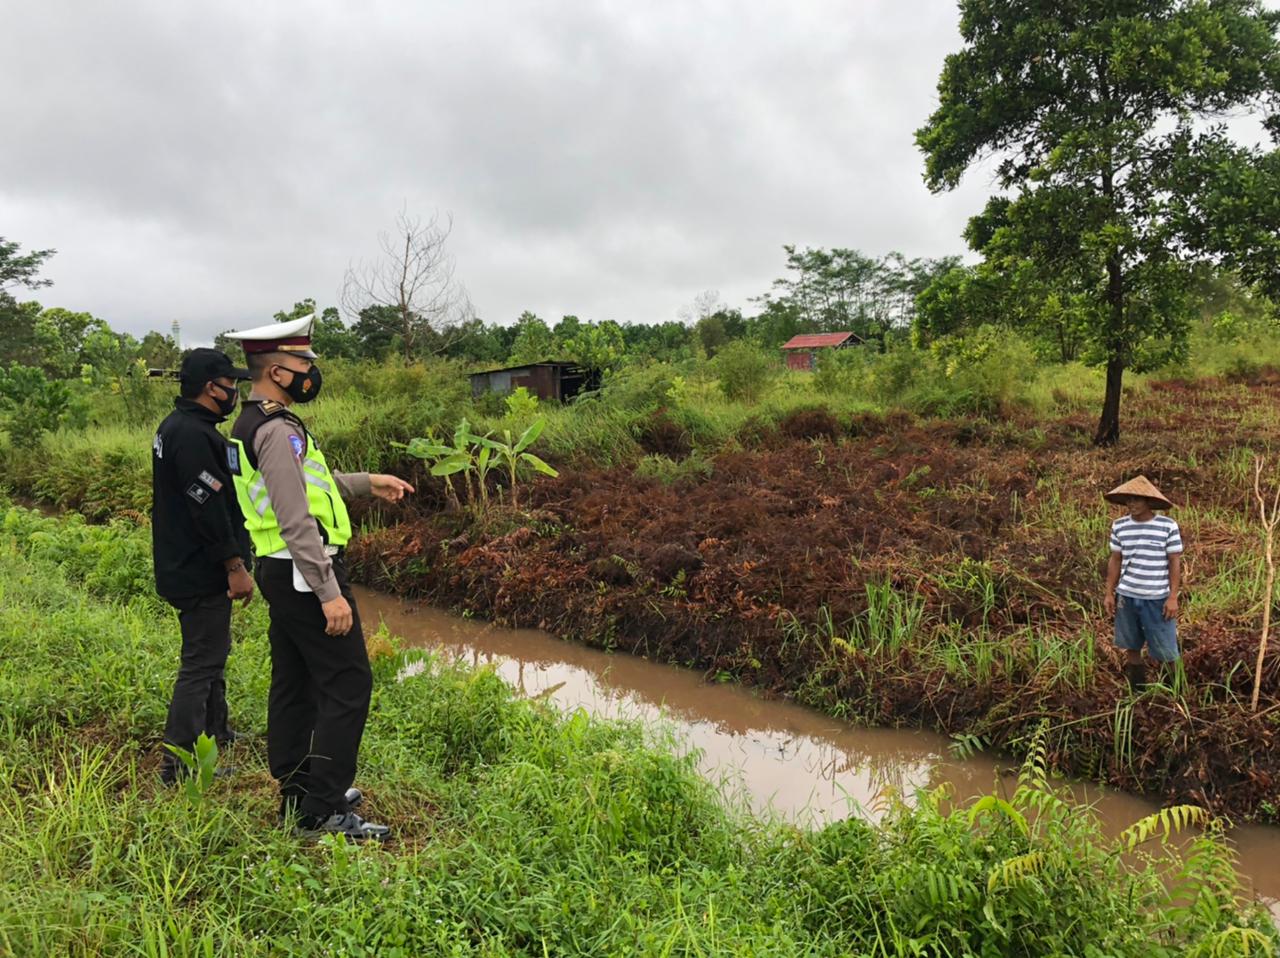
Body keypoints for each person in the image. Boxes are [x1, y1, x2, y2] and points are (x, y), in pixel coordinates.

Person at [224, 315, 413, 841]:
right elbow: (295, 517)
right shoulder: (277, 429)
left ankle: (299, 787)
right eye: (305, 363)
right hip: (305, 569)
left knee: (295, 680)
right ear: (280, 371)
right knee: (349, 683)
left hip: (280, 570)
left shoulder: (253, 423)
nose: (312, 372)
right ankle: (320, 809)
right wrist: (330, 592)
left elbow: (305, 487)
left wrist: (366, 482)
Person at [151, 348, 255, 784]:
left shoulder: (181, 426)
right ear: (211, 387)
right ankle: (178, 764)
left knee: (212, 654)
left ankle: (217, 732)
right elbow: (207, 507)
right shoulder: (193, 436)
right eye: (231, 383)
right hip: (200, 567)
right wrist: (234, 564)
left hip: (185, 560)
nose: (235, 390)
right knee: (201, 663)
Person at [1102, 475, 1183, 690]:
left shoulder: (1167, 526)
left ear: (1148, 501)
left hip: (1157, 598)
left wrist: (1172, 596)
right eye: (1129, 499)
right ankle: (1137, 692)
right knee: (1131, 645)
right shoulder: (1119, 526)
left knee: (1166, 650)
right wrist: (1110, 593)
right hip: (1127, 597)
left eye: (1137, 499)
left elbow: (1174, 561)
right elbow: (1115, 559)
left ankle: (1173, 694)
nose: (1132, 504)